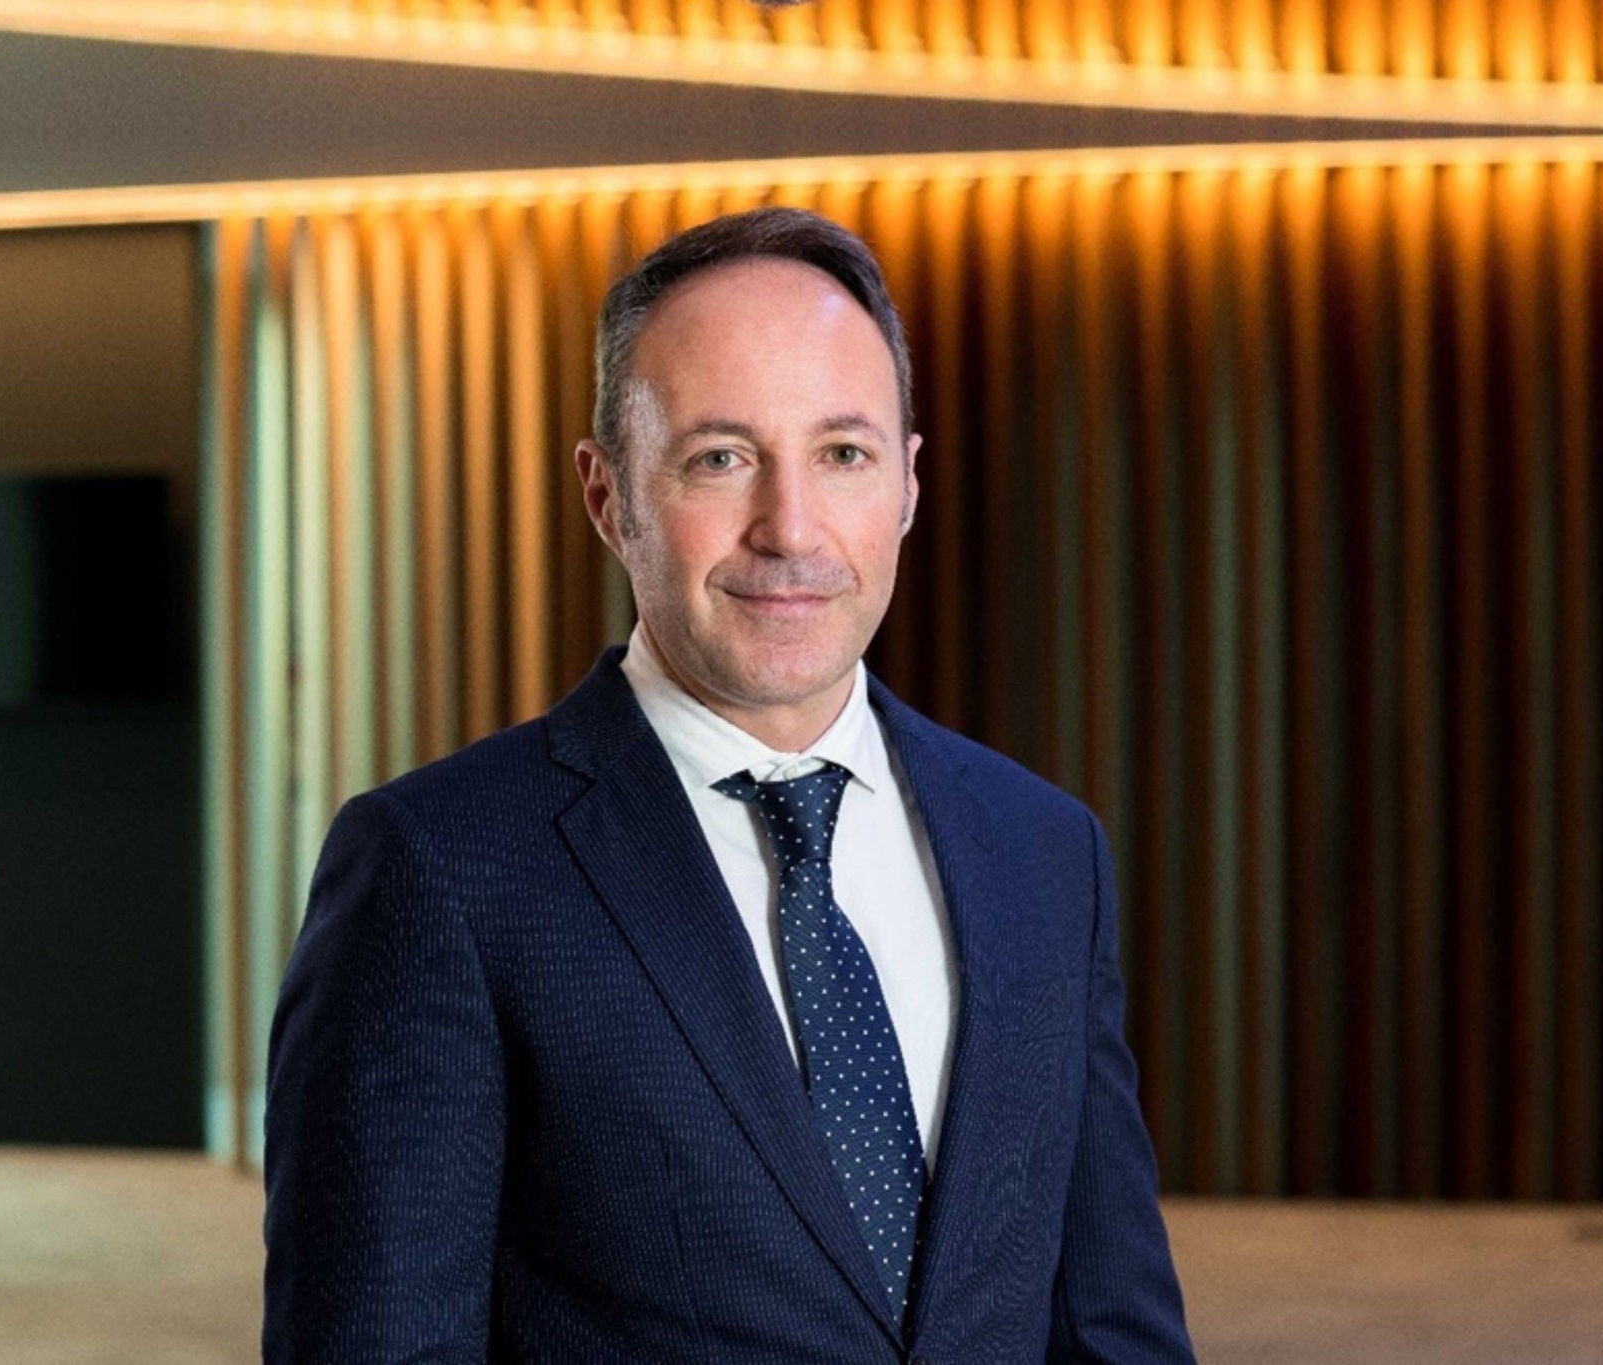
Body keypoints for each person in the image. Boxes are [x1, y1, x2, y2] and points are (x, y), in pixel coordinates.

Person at [263, 206, 1195, 1362]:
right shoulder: (440, 867)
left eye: (841, 455)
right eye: (720, 458)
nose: (788, 530)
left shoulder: (1044, 852)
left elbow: (1110, 1326)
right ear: (608, 495)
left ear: (907, 485)